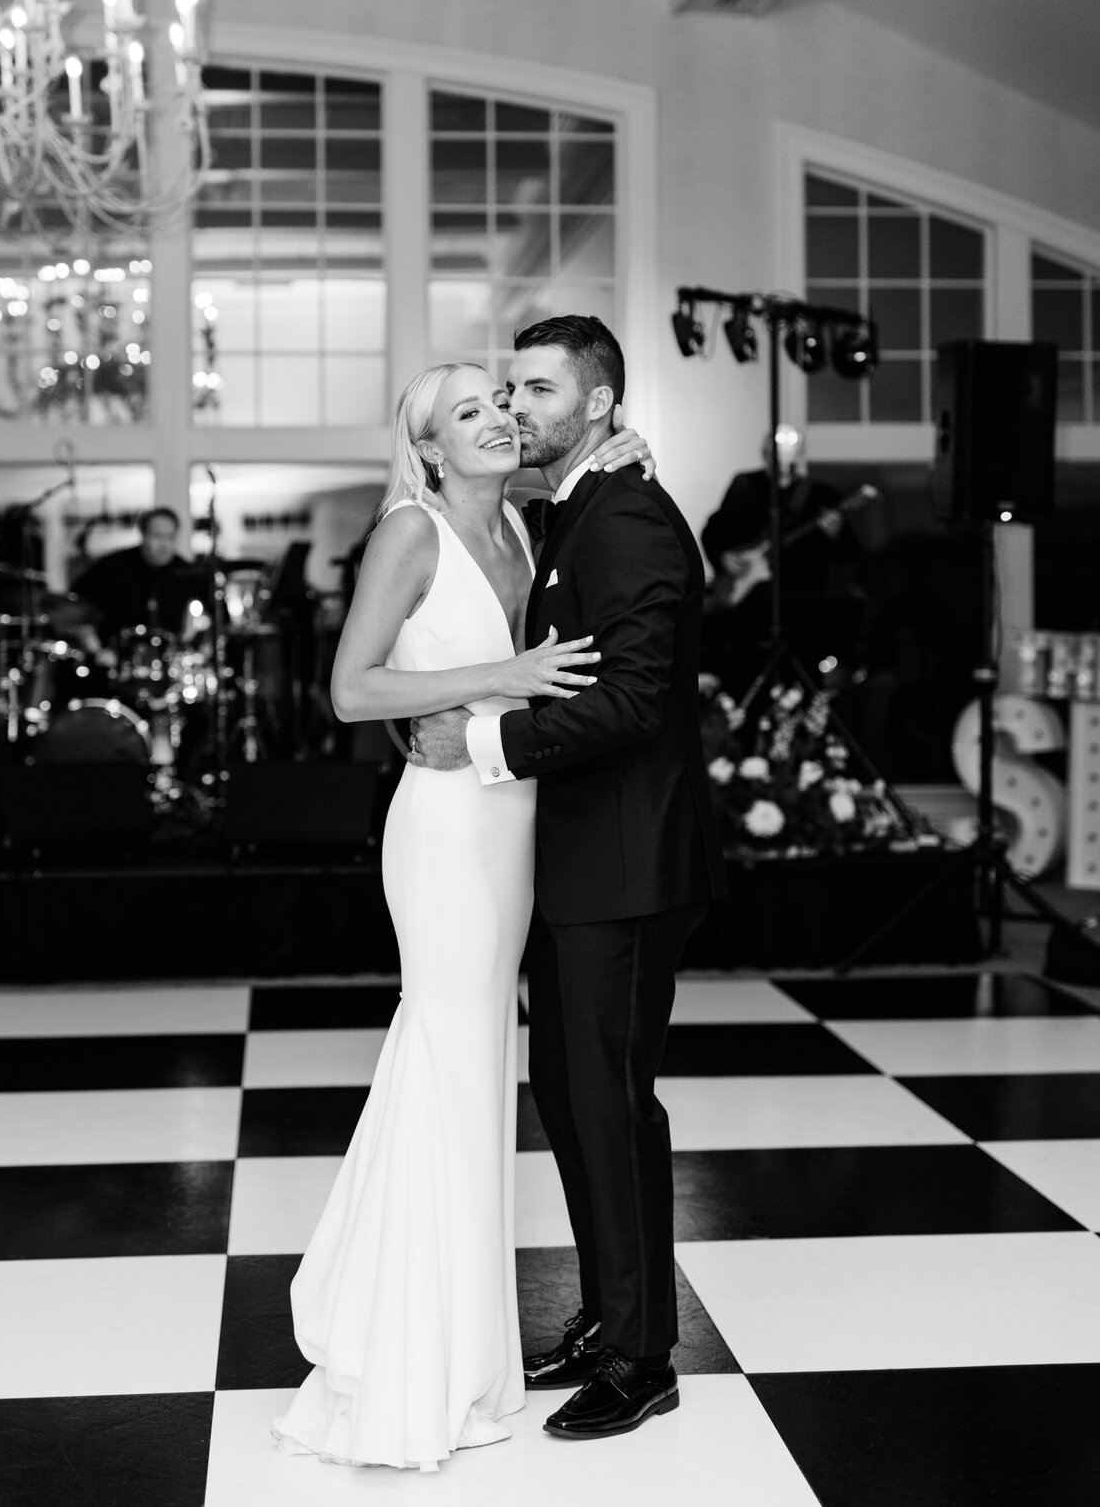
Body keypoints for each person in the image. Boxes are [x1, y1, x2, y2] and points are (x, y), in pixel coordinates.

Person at [271, 362, 652, 1472]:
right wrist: (510, 671)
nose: (495, 418)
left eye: (501, 402)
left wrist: (630, 453)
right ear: (431, 448)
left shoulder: (531, 527)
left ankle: (467, 1351)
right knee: (446, 1061)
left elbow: (597, 475)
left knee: (485, 1080)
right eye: (467, 413)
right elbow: (352, 690)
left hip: (516, 829)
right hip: (442, 831)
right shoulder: (410, 532)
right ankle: (410, 1361)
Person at [413, 317, 727, 1444]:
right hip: (582, 861)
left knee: (611, 1107)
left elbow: (638, 697)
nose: (515, 407)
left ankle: (646, 1356)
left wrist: (488, 747)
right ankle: (608, 1317)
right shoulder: (583, 504)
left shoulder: (628, 513)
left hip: (629, 866)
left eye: (538, 389)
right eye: (507, 387)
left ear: (597, 405)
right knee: (574, 1099)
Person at [701, 424, 862, 693]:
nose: (779, 461)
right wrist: (724, 556)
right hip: (748, 611)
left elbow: (849, 554)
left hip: (801, 610)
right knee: (744, 681)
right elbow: (713, 531)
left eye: (787, 454)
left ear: (798, 456)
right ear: (764, 453)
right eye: (774, 453)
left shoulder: (820, 494)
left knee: (800, 683)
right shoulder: (745, 486)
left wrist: (837, 534)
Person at [72, 506, 197, 656]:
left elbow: (212, 615)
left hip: (169, 661)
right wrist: (96, 650)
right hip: (116, 660)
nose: (164, 544)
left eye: (170, 537)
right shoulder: (112, 566)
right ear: (143, 535)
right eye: (157, 536)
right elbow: (75, 605)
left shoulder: (186, 571)